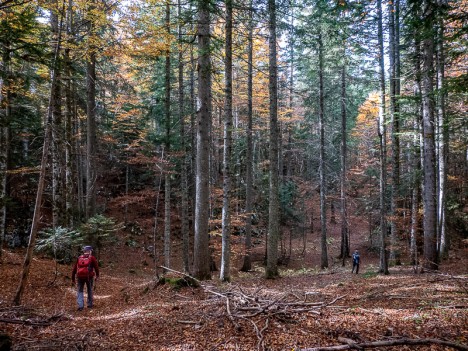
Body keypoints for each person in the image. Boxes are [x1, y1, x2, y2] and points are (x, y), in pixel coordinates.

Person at [72, 245, 99, 311]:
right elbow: (96, 268)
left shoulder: (79, 257)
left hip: (80, 276)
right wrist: (97, 275)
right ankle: (89, 304)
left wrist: (73, 277)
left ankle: (80, 306)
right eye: (91, 251)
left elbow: (75, 268)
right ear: (89, 251)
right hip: (89, 276)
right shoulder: (92, 258)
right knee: (89, 290)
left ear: (84, 251)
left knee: (80, 290)